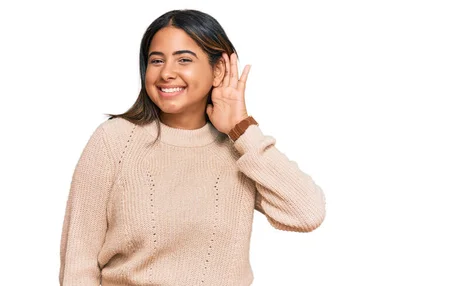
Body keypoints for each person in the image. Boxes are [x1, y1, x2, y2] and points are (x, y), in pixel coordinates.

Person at [59, 9, 326, 286]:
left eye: (183, 60)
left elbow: (306, 213)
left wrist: (242, 129)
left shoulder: (240, 148)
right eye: (156, 61)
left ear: (218, 70)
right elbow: (78, 262)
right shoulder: (114, 140)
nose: (166, 73)